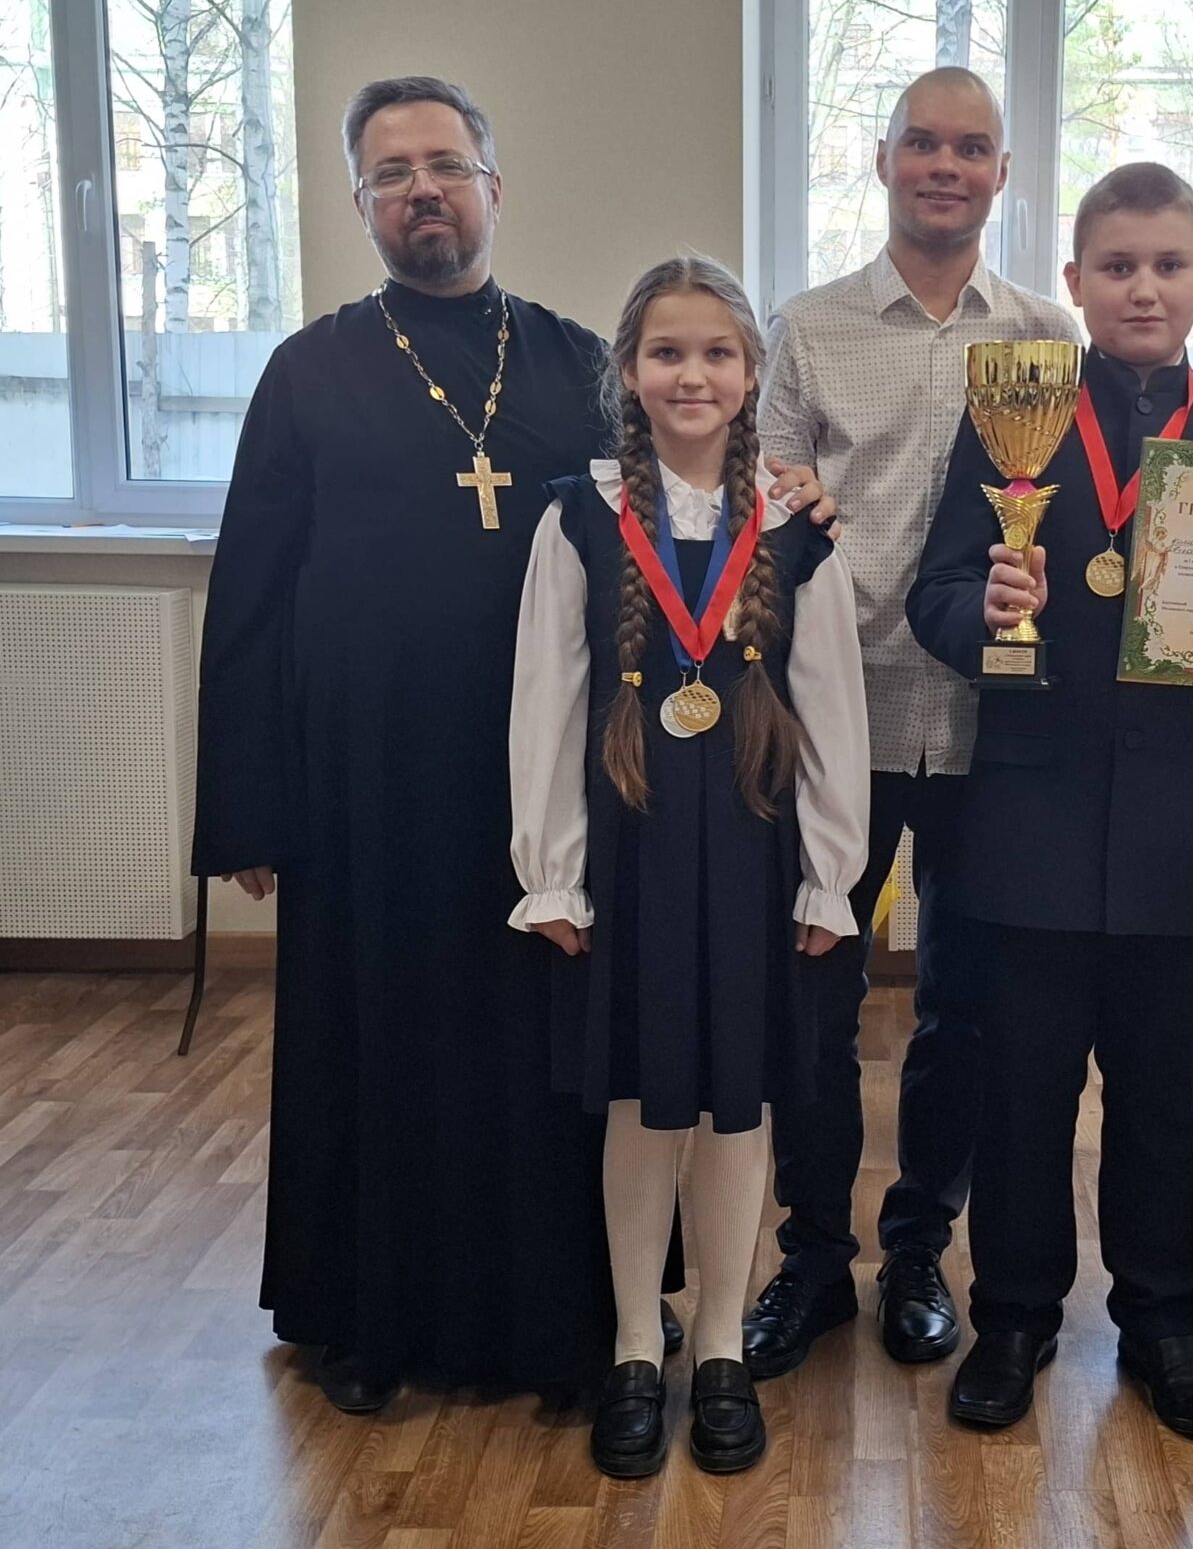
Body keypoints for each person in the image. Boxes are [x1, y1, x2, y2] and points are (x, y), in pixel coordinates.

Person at [192, 76, 830, 1408]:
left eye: (445, 164)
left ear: (493, 185)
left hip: (560, 785)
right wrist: (249, 805)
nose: (421, 190)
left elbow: (677, 497)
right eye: (391, 173)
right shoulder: (307, 371)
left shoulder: (570, 362)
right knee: (379, 1048)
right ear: (361, 203)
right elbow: (248, 592)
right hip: (365, 785)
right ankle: (370, 1318)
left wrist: (788, 490)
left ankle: (562, 1318)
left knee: (541, 1062)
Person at [907, 163, 1193, 1437]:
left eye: (1166, 265)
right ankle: (1012, 1317)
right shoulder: (1017, 413)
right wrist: (985, 609)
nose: (1142, 288)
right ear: (1074, 283)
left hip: (1182, 826)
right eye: (1115, 267)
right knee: (1023, 1090)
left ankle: (1162, 1325)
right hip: (1028, 821)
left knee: (1158, 1093)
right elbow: (933, 595)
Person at [508, 256, 867, 1476]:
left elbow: (831, 709)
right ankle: (631, 1345)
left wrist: (830, 874)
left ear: (753, 373)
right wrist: (550, 871)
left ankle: (719, 1344)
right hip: (629, 854)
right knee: (637, 1102)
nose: (691, 375)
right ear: (627, 370)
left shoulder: (797, 530)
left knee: (737, 1103)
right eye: (666, 352)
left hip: (755, 857)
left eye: (717, 352)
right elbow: (545, 706)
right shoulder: (577, 517)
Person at [746, 67, 1079, 1376]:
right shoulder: (808, 329)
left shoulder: (1048, 337)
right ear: (882, 160)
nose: (946, 166)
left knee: (965, 1008)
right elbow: (759, 511)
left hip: (995, 732)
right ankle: (812, 1256)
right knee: (815, 998)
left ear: (1002, 173)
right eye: (923, 145)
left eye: (972, 148)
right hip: (836, 716)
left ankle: (918, 1248)